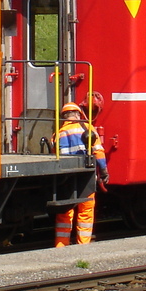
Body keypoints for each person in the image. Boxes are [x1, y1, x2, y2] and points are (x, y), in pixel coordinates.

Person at [54, 101, 107, 247]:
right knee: (86, 212)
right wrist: (103, 171)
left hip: (66, 178)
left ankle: (61, 246)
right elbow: (98, 152)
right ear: (78, 114)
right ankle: (83, 246)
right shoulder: (87, 128)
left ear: (64, 117)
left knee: (65, 213)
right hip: (86, 177)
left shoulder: (58, 134)